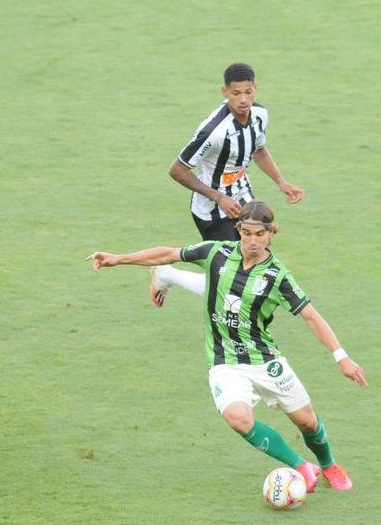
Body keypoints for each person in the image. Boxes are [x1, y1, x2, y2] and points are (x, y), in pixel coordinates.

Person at [87, 201, 364, 492]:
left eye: (260, 234)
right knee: (238, 418)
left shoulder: (278, 277)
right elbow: (169, 254)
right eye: (246, 233)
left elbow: (310, 316)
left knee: (307, 423)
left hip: (265, 359)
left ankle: (329, 465)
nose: (253, 241)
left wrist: (341, 357)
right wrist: (118, 259)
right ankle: (300, 466)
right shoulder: (216, 253)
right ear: (239, 231)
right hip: (225, 361)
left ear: (271, 234)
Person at [151, 63, 304, 307]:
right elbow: (177, 170)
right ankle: (166, 273)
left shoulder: (260, 115)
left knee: (254, 260)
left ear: (256, 89)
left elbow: (259, 150)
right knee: (231, 279)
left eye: (248, 92)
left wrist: (281, 182)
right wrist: (218, 197)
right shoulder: (213, 131)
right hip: (211, 211)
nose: (243, 99)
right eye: (236, 93)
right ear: (225, 92)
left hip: (244, 200)